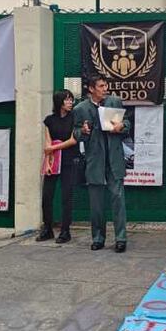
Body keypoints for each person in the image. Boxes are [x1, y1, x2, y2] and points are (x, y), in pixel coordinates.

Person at [73, 76, 131, 253]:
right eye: (101, 86)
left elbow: (127, 123)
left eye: (106, 85)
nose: (105, 88)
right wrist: (82, 131)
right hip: (95, 159)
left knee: (118, 199)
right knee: (96, 203)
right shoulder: (80, 109)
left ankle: (121, 238)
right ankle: (98, 238)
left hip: (114, 158)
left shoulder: (115, 102)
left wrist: (121, 126)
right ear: (91, 89)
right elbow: (75, 134)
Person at [38, 90, 79, 243]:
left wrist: (53, 148)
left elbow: (73, 140)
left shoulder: (74, 118)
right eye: (67, 100)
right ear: (59, 101)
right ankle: (47, 228)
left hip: (69, 160)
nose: (70, 102)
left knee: (66, 197)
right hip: (53, 162)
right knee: (47, 196)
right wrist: (48, 162)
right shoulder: (49, 120)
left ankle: (65, 231)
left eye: (71, 100)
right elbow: (47, 142)